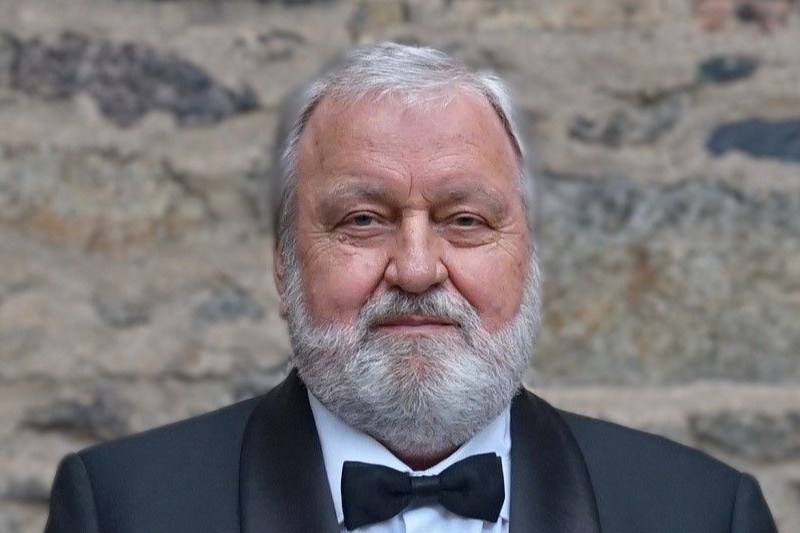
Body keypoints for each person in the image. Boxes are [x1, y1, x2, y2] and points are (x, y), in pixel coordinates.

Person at [45, 42, 777, 533]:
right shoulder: (122, 509)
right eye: (363, 220)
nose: (418, 269)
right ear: (283, 264)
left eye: (466, 220)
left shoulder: (704, 513)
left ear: (529, 256)